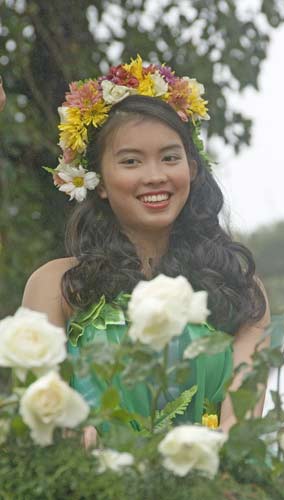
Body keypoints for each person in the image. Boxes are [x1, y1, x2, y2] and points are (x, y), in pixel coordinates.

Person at [16, 56, 269, 441]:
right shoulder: (57, 285)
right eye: (131, 161)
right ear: (99, 180)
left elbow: (242, 426)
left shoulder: (239, 286)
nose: (155, 176)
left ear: (193, 169)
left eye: (170, 157)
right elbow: (42, 421)